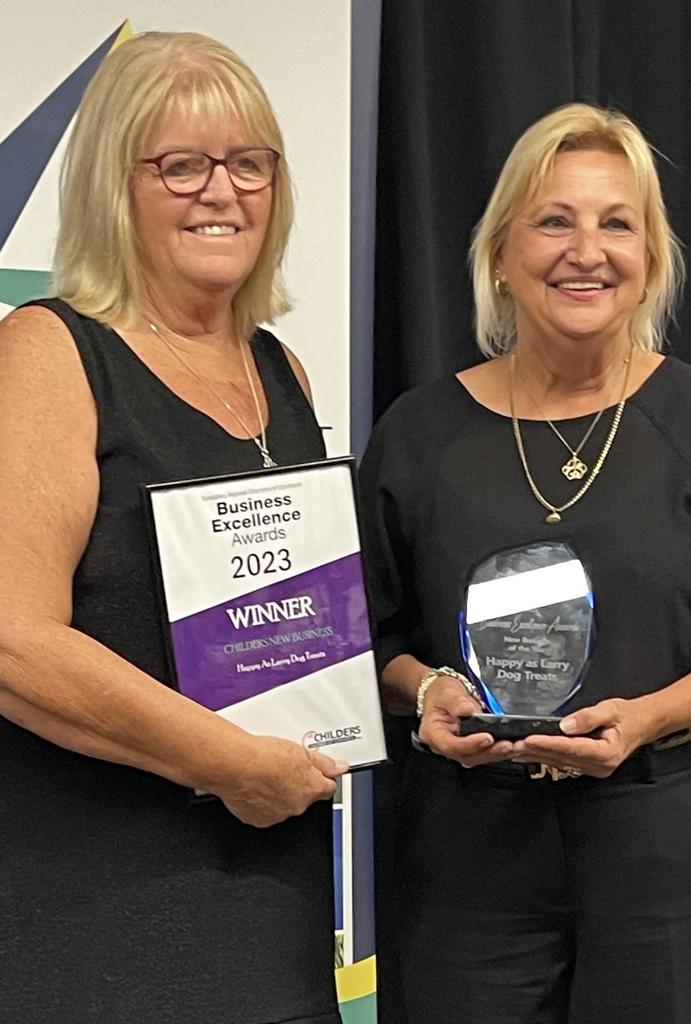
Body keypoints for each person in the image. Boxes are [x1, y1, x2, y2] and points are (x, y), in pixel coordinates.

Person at [359, 102, 691, 1024]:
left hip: (664, 843)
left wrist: (649, 717)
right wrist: (425, 695)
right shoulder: (420, 434)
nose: (587, 249)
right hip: (469, 854)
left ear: (651, 258)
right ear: (501, 252)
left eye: (617, 223)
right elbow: (360, 638)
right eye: (554, 220)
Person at [0, 32, 346, 1024]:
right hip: (96, 930)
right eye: (182, 164)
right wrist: (230, 763)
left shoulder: (280, 371)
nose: (221, 192)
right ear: (116, 184)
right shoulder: (50, 352)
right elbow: (15, 639)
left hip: (269, 913)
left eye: (249, 162)